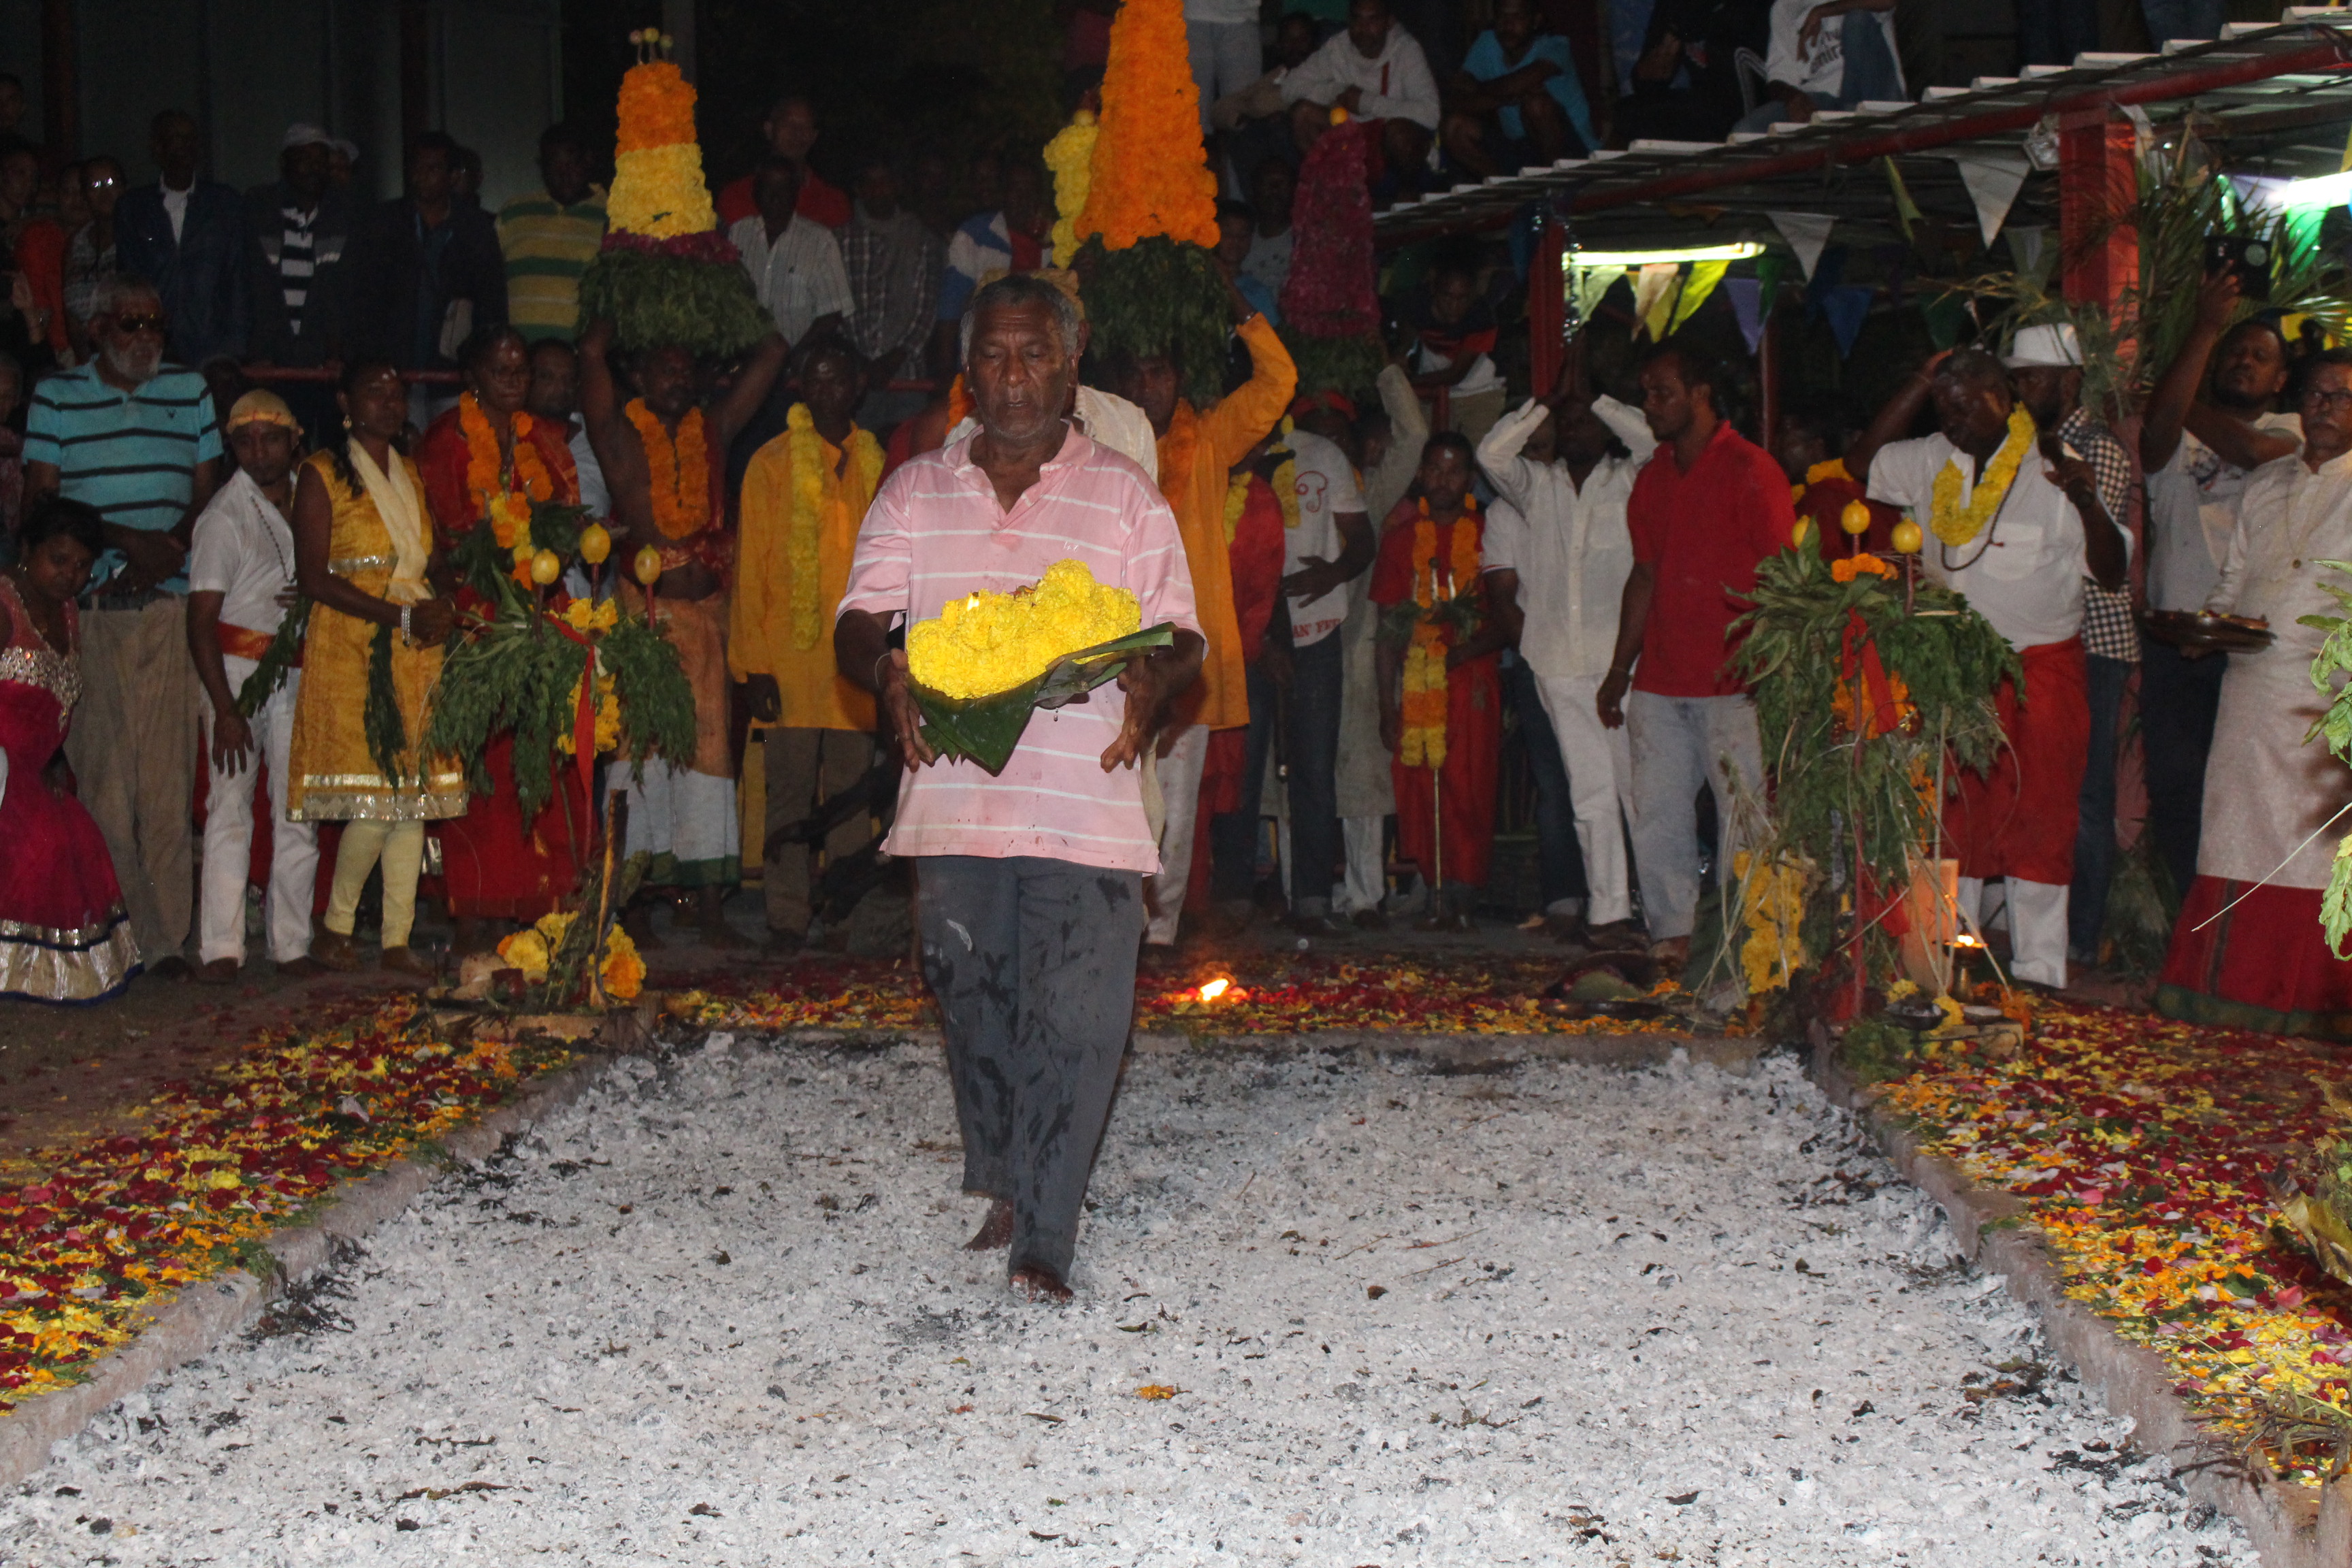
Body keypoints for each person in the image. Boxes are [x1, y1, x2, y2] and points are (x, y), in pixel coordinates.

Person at [834, 273, 1205, 1303]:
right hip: (953, 807)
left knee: (1080, 1018)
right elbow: (859, 616)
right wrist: (886, 666)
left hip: (1085, 804)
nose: (1013, 378)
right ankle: (1005, 1171)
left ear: (1070, 362)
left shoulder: (1125, 495)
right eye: (993, 356)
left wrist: (1156, 675)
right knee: (971, 998)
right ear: (967, 370)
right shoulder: (914, 489)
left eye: (1034, 354)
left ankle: (1046, 1229)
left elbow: (1182, 634)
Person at [1852, 346, 2127, 991]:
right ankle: (1949, 961)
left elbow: (2112, 572)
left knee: (2040, 818)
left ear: (2007, 395)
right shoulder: (1927, 461)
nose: (1954, 416)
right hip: (1952, 671)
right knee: (1953, 817)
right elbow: (1862, 463)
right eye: (1943, 404)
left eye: (1967, 399)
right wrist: (1922, 378)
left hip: (2042, 671)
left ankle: (2039, 971)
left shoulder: (2056, 468)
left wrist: (2088, 503)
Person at [23, 278, 220, 977]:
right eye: (131, 323)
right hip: (96, 610)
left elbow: (208, 491)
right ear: (101, 326)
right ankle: (122, 935)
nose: (145, 337)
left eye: (156, 326)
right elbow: (43, 500)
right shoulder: (57, 397)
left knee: (167, 783)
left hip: (168, 607)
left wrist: (163, 548)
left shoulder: (190, 390)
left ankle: (167, 942)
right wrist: (125, 543)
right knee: (105, 784)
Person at [2155, 350, 2352, 1035]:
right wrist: (2206, 629)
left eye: (2341, 396)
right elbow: (2232, 582)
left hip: (2325, 697)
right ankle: (2228, 991)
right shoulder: (2267, 482)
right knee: (2234, 838)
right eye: (2317, 395)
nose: (2325, 407)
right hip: (2247, 689)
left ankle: (2314, 1002)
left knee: (2312, 848)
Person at [578, 316, 787, 943]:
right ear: (637, 376)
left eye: (684, 369)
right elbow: (591, 351)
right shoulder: (618, 435)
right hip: (643, 620)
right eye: (662, 367)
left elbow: (773, 349)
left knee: (710, 760)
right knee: (637, 757)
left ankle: (710, 910)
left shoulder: (714, 430)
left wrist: (711, 302)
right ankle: (634, 907)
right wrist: (628, 306)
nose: (675, 378)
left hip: (706, 621)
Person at [1597, 343, 1794, 968]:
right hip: (1661, 677)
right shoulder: (1653, 477)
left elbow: (1781, 580)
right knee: (1657, 814)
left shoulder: (1750, 469)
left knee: (1746, 816)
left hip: (1736, 678)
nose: (1650, 406)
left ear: (1701, 393)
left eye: (1663, 393)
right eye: (1646, 394)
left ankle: (1752, 936)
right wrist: (1618, 669)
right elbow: (1645, 575)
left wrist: (1773, 667)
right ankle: (1673, 935)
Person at [1111, 284, 1296, 945]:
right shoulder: (1105, 441)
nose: (1147, 386)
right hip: (1116, 649)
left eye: (1159, 372)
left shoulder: (1212, 436)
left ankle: (1159, 932)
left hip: (1185, 651)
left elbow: (1279, 382)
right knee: (1119, 788)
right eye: (1135, 374)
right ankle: (1119, 925)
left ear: (1179, 379)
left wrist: (1240, 305)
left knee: (1180, 800)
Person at [284, 358, 466, 978]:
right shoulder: (321, 473)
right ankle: (335, 928)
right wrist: (399, 620)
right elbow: (313, 578)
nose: (390, 404)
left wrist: (445, 601)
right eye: (376, 392)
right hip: (357, 640)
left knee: (413, 800)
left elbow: (431, 559)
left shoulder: (410, 471)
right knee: (377, 798)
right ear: (346, 400)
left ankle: (396, 939)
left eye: (399, 393)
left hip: (416, 641)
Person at [414, 325, 589, 951]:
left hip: (539, 611)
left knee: (541, 758)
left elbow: (565, 518)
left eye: (523, 372)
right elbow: (447, 537)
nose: (515, 382)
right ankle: (474, 909)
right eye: (502, 369)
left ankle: (540, 901)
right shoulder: (445, 441)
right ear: (473, 375)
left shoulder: (542, 440)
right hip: (476, 618)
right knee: (482, 766)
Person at [1479, 344, 1655, 951]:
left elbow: (1654, 442)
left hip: (1621, 662)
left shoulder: (1632, 479)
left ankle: (1656, 911)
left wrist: (1600, 397)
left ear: (1604, 429)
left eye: (1586, 422)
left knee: (1637, 788)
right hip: (1556, 660)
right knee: (1588, 792)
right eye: (1568, 422)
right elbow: (1489, 452)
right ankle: (1607, 913)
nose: (1575, 428)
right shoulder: (1537, 487)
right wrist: (1545, 402)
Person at [2138, 273, 2299, 900]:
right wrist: (2201, 333)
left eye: (2261, 357)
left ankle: (2237, 917)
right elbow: (2154, 443)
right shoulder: (2178, 435)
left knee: (2243, 791)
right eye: (2235, 349)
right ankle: (2190, 919)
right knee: (2178, 787)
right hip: (2175, 639)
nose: (2244, 360)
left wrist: (2164, 396)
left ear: (2281, 380)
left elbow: (2256, 451)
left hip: (2249, 646)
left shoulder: (2296, 428)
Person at [732, 340, 881, 951]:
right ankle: (788, 917)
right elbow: (750, 570)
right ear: (800, 387)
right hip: (788, 663)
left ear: (856, 386)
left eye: (837, 379)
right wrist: (753, 667)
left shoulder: (877, 462)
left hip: (853, 669)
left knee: (851, 796)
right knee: (790, 793)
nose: (827, 391)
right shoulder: (769, 464)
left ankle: (846, 914)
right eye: (815, 379)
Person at [2002, 325, 2136, 970]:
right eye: (2019, 380)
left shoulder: (2093, 450)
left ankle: (2080, 936)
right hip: (2048, 640)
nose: (2024, 391)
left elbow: (2093, 558)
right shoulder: (2021, 446)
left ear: (2070, 382)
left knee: (2082, 797)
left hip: (2094, 639)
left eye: (2035, 379)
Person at [185, 391, 318, 982]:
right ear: (231, 447)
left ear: (295, 440)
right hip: (239, 672)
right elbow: (200, 622)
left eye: (271, 437)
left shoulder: (311, 502)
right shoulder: (224, 515)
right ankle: (221, 947)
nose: (259, 450)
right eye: (245, 440)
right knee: (231, 806)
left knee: (298, 808)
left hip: (298, 670)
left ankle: (292, 944)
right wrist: (226, 710)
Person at [0, 497, 140, 1002]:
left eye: (82, 566)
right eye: (57, 560)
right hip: (1, 775)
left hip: (35, 770)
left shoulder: (66, 612)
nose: (70, 576)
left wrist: (54, 757)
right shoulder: (5, 603)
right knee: (44, 844)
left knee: (81, 839)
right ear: (26, 549)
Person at [1371, 432, 1510, 928]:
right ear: (1420, 476)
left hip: (1470, 679)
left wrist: (1463, 652)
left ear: (1471, 479)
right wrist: (1387, 707)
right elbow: (1387, 629)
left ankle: (1464, 890)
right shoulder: (1401, 538)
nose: (1443, 480)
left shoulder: (1491, 530)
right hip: (1417, 679)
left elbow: (1508, 616)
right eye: (1434, 470)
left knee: (1468, 787)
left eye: (1454, 471)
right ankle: (1431, 885)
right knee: (1419, 782)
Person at [1333, 370, 1424, 924]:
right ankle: (1310, 894)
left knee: (1363, 775)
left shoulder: (1373, 494)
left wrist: (1386, 367)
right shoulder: (1295, 483)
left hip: (1358, 647)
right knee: (1305, 776)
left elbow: (1412, 435)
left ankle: (1366, 894)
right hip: (1299, 647)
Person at [346, 132, 508, 399]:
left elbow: (491, 301)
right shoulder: (383, 223)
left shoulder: (476, 228)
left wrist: (480, 361)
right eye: (417, 167)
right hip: (391, 367)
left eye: (432, 168)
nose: (422, 176)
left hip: (453, 370)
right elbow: (362, 295)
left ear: (453, 176)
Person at [244, 125, 359, 444]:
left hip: (324, 365)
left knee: (332, 452)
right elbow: (251, 287)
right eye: (305, 158)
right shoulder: (259, 208)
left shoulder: (343, 213)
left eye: (321, 159)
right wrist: (259, 352)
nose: (314, 167)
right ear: (285, 163)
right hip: (272, 364)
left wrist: (338, 354)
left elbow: (344, 293)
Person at [113, 110, 246, 367]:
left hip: (213, 347)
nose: (186, 147)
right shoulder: (134, 208)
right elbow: (129, 282)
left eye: (191, 140)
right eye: (177, 139)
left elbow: (237, 279)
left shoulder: (224, 204)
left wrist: (234, 348)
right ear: (157, 147)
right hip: (153, 344)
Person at [1284, 0, 1441, 192]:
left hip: (1392, 149)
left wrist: (1366, 102)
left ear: (1389, 22)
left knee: (1400, 133)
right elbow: (1290, 87)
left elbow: (1431, 113)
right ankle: (1338, 195)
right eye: (1357, 20)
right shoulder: (1338, 47)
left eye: (1372, 20)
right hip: (1353, 139)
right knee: (1303, 113)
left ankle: (1407, 198)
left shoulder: (1406, 49)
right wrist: (1337, 91)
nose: (1363, 28)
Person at [842, 156, 945, 430]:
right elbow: (837, 306)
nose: (879, 190)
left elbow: (927, 310)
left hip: (908, 377)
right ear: (859, 189)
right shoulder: (840, 241)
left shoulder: (920, 238)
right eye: (871, 183)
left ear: (896, 187)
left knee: (906, 461)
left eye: (885, 182)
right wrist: (862, 362)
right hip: (856, 377)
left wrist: (891, 361)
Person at [1447, 0, 1599, 177]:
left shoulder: (1555, 47)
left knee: (1536, 105)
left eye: (1518, 17)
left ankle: (1557, 185)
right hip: (1521, 147)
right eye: (1502, 16)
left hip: (1573, 151)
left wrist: (1482, 93)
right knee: (1455, 127)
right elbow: (1455, 98)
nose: (1508, 24)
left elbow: (1515, 84)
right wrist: (1501, 97)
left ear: (1535, 21)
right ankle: (1506, 192)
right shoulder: (1488, 43)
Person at [496, 124, 608, 346]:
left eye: (571, 163)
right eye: (554, 165)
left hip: (580, 363)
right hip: (521, 358)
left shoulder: (612, 215)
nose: (564, 175)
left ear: (588, 161)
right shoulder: (514, 212)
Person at [729, 156, 851, 353]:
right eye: (768, 188)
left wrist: (792, 359)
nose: (775, 197)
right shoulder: (739, 233)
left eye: (783, 189)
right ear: (756, 192)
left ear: (795, 194)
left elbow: (832, 314)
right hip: (745, 362)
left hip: (798, 366)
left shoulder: (820, 241)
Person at [1735, 0, 1905, 133]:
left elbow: (1888, 2)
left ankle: (1854, 125)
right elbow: (1778, 78)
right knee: (1745, 131)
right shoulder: (1785, 7)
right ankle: (1846, 128)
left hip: (1872, 95)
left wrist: (1823, 11)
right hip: (1822, 103)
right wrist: (1793, 97)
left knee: (1857, 20)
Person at [936, 161, 1051, 338]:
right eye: (1016, 189)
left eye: (1031, 191)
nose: (1024, 198)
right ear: (1003, 194)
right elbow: (950, 309)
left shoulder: (1053, 243)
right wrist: (948, 365)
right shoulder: (975, 235)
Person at [1402, 257, 1507, 443]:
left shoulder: (1481, 317)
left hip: (1479, 395)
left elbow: (1455, 374)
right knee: (1420, 448)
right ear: (1434, 291)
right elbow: (1404, 344)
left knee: (1480, 458)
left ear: (1473, 295)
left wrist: (1408, 381)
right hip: (1432, 392)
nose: (1454, 306)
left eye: (1462, 298)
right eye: (1447, 297)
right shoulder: (1417, 305)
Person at [716, 96, 852, 231]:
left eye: (805, 127)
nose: (797, 133)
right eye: (788, 124)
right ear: (769, 130)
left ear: (813, 137)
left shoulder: (833, 202)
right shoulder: (735, 196)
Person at [61, 156, 123, 356]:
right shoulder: (76, 242)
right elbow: (68, 304)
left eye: (111, 183)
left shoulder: (140, 237)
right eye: (95, 185)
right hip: (85, 358)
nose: (104, 192)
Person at [1211, 200, 1280, 325]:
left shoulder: (1258, 292)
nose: (1236, 241)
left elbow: (1268, 337)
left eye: (1243, 235)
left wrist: (1228, 284)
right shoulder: (1199, 282)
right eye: (1228, 234)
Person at [1240, 158, 1296, 300]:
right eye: (1266, 183)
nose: (1275, 190)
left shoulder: (1309, 240)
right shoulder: (1239, 241)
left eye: (1282, 183)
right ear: (1254, 190)